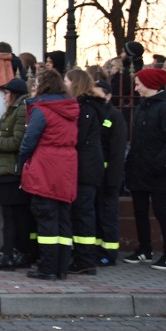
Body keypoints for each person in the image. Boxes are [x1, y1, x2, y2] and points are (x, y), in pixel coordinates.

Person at [18, 69, 79, 281]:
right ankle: (61, 268)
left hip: (45, 166)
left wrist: (22, 162)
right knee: (63, 219)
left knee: (46, 218)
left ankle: (47, 268)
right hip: (67, 167)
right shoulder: (70, 108)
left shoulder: (41, 109)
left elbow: (29, 140)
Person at [123, 67, 166, 271]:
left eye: (139, 82)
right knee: (139, 211)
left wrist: (159, 162)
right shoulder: (142, 107)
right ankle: (144, 249)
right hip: (139, 170)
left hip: (158, 172)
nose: (136, 86)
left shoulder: (164, 108)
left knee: (161, 212)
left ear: (149, 84)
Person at [0, 78, 33, 270]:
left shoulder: (21, 111)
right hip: (5, 170)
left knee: (14, 217)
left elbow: (15, 142)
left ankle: (12, 255)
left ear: (14, 94)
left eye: (6, 93)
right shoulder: (12, 111)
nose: (4, 97)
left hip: (13, 171)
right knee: (11, 215)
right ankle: (13, 253)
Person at [64, 68, 107, 276]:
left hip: (85, 169)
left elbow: (77, 138)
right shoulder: (88, 106)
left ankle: (85, 260)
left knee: (83, 214)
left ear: (75, 83)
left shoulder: (85, 108)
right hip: (85, 167)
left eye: (66, 81)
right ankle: (82, 257)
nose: (64, 84)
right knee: (82, 213)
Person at [92, 79, 127, 267]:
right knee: (96, 214)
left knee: (108, 215)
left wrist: (113, 179)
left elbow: (117, 150)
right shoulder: (95, 114)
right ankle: (97, 250)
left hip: (109, 177)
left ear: (108, 95)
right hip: (95, 175)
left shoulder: (115, 115)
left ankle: (109, 252)